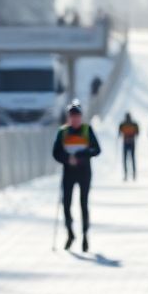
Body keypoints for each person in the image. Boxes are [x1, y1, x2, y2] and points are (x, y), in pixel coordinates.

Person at [52, 100, 101, 252]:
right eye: (72, 116)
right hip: (69, 172)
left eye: (77, 116)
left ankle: (85, 235)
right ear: (69, 117)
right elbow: (55, 153)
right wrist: (67, 158)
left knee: (83, 204)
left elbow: (97, 150)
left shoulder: (87, 130)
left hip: (84, 171)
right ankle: (70, 233)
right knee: (66, 204)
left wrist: (82, 156)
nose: (75, 119)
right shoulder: (63, 132)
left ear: (81, 117)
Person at [118, 112, 139, 181]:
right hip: (129, 143)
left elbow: (137, 132)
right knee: (130, 159)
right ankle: (130, 174)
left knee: (128, 159)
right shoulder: (130, 124)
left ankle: (130, 174)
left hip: (129, 143)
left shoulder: (125, 124)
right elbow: (137, 133)